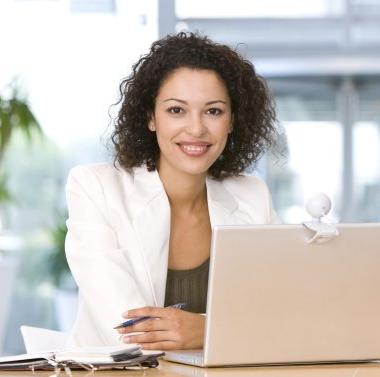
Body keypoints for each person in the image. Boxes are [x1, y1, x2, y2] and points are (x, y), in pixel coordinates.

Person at [64, 32, 280, 350]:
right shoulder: (95, 188)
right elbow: (130, 330)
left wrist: (205, 329)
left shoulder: (252, 195)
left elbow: (278, 317)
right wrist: (221, 330)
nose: (196, 129)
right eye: (177, 110)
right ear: (151, 117)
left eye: (214, 111)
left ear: (233, 121)